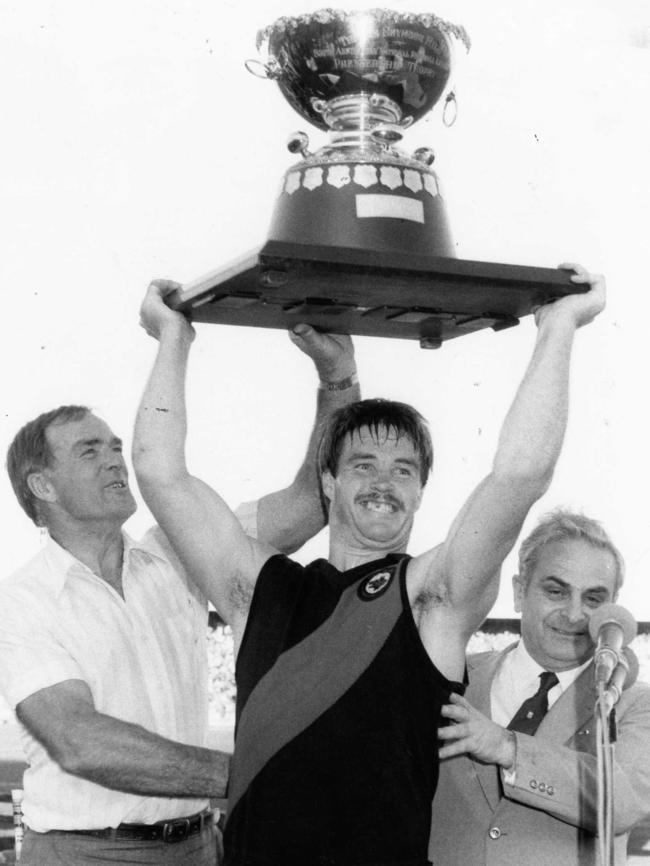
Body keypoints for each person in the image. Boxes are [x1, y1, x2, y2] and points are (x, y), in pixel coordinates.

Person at [132, 265, 605, 866]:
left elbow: (520, 476)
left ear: (421, 492)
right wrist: (174, 337)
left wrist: (558, 327)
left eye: (404, 469)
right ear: (327, 481)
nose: (384, 482)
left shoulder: (434, 597)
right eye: (363, 464)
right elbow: (158, 471)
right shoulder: (259, 588)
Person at [0, 326, 359, 866]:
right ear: (43, 487)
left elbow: (312, 502)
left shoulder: (174, 555)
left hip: (198, 846)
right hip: (87, 855)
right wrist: (254, 774)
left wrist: (338, 377)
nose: (116, 461)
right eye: (89, 451)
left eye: (118, 447)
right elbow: (79, 739)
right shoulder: (20, 603)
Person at [433, 510, 650, 866]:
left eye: (593, 599)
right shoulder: (454, 677)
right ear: (519, 592)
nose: (575, 614)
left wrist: (508, 747)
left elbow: (621, 801)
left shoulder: (634, 702)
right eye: (556, 591)